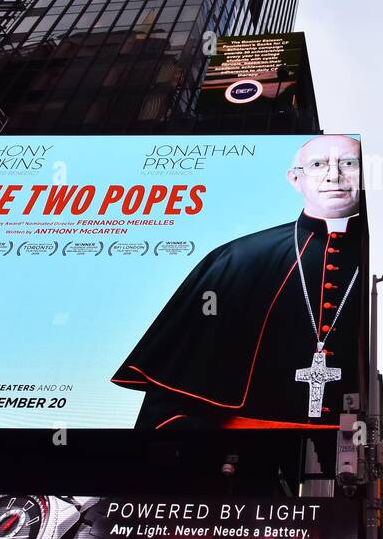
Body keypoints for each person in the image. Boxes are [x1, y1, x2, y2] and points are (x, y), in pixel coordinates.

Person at [112, 135, 366, 429]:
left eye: (348, 163)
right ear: (295, 179)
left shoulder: (380, 257)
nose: (333, 175)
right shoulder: (236, 258)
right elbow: (169, 407)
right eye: (318, 164)